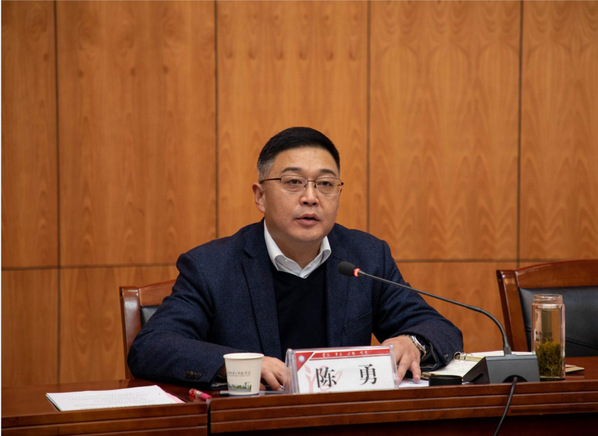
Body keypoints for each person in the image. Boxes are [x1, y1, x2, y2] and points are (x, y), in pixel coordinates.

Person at [128, 126, 463, 390]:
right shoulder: (212, 267)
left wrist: (412, 342)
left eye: (326, 184)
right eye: (293, 182)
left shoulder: (365, 257)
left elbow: (440, 329)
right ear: (260, 196)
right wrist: (241, 364)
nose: (311, 197)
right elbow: (151, 346)